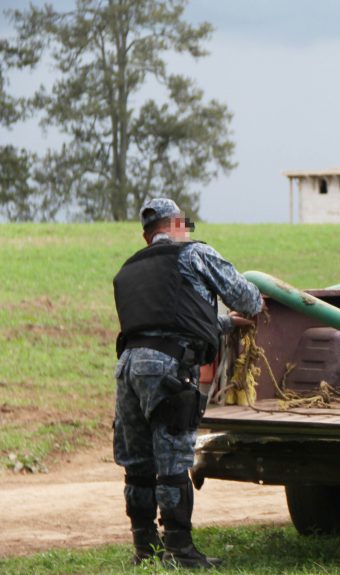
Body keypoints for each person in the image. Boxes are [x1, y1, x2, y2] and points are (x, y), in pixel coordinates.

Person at [112, 198, 263, 569]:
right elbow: (248, 297)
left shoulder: (129, 269)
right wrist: (249, 310)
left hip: (128, 367)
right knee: (174, 459)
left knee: (138, 463)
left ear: (147, 236)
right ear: (179, 225)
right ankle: (180, 551)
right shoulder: (194, 254)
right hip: (169, 368)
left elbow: (172, 318)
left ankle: (144, 549)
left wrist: (226, 324)